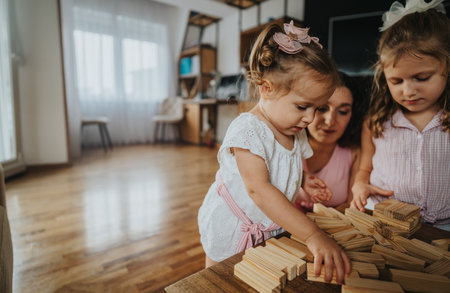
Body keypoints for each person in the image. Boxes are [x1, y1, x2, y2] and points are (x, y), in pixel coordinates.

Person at [198, 21, 351, 283]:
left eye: (317, 107)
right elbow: (259, 189)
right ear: (267, 88)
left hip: (268, 225)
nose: (310, 118)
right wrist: (312, 235)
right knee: (218, 281)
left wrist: (303, 182)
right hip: (234, 225)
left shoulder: (295, 130)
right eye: (303, 106)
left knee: (256, 280)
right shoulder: (248, 130)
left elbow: (284, 168)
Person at [351, 0, 450, 231]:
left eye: (422, 78)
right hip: (385, 222)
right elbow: (364, 168)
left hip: (444, 228)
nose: (408, 91)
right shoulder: (376, 122)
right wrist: (359, 185)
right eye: (396, 81)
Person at [294, 72, 367, 210]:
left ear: (353, 115)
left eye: (343, 111)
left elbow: (353, 209)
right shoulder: (286, 143)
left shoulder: (355, 152)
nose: (330, 121)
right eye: (322, 108)